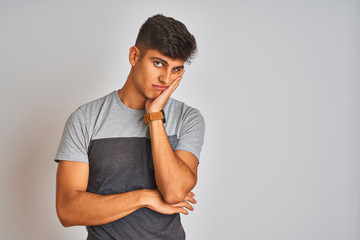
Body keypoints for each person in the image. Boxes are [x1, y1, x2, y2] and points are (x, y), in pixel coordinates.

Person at [54, 14, 205, 240]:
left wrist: (154, 116)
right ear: (134, 56)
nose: (165, 79)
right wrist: (144, 198)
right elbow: (67, 210)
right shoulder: (86, 118)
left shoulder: (188, 118)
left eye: (176, 69)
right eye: (158, 63)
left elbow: (174, 193)